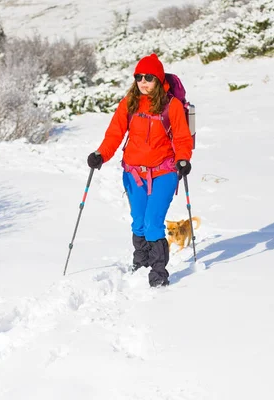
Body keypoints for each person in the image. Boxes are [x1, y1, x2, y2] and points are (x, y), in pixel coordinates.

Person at [87, 53, 193, 288]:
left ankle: (158, 275)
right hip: (133, 172)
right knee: (139, 223)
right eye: (138, 77)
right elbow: (115, 133)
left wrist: (183, 159)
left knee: (153, 222)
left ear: (159, 79)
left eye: (148, 77)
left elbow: (183, 138)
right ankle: (141, 264)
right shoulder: (129, 102)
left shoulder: (171, 106)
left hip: (164, 172)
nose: (143, 82)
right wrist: (101, 155)